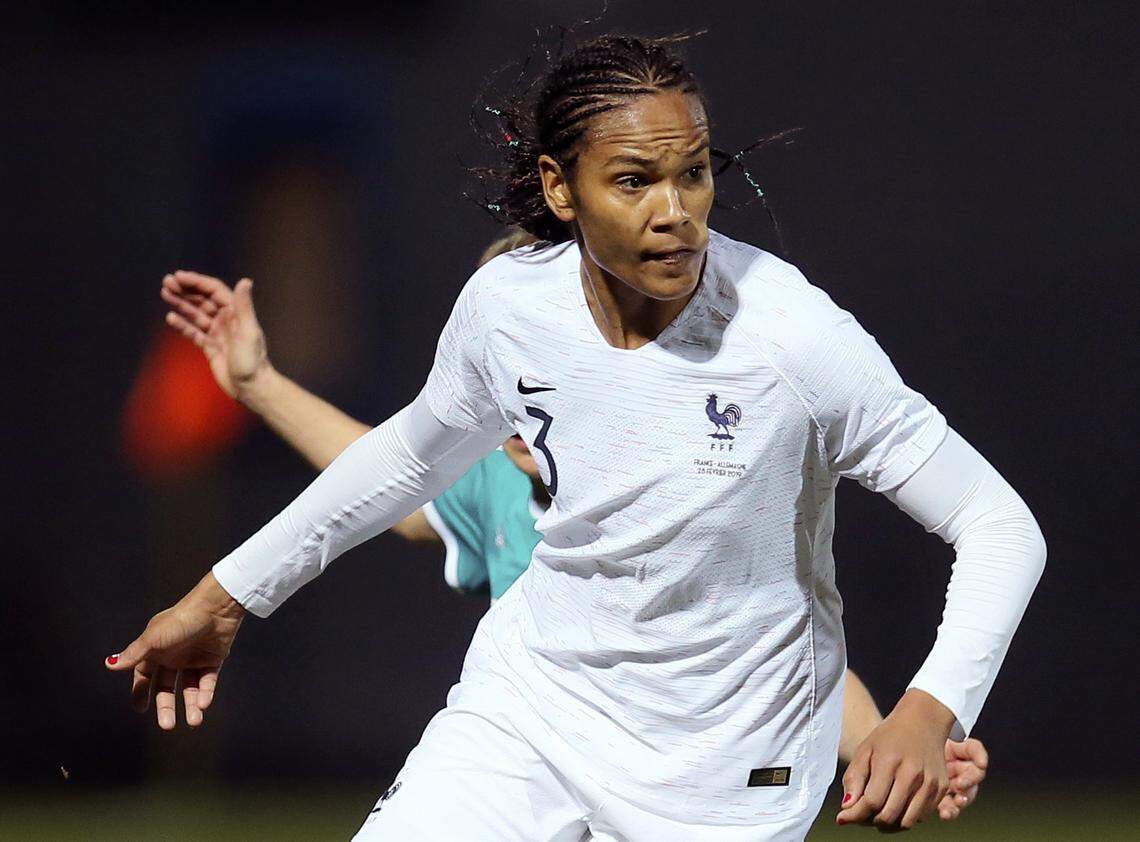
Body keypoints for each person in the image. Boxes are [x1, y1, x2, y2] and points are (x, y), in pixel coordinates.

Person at [108, 35, 1043, 840]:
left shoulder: (793, 337)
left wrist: (932, 708)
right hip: (533, 711)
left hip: (729, 762)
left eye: (695, 171)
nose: (675, 210)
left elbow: (999, 525)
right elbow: (405, 462)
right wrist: (226, 598)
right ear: (559, 187)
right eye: (634, 180)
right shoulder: (509, 308)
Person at [160, 232, 987, 822]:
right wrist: (259, 384)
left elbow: (789, 654)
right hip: (541, 767)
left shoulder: (700, 485)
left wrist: (893, 738)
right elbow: (391, 481)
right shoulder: (495, 486)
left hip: (687, 780)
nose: (524, 402)